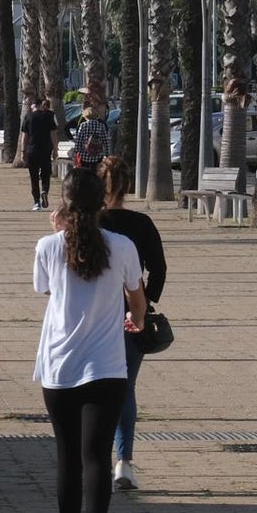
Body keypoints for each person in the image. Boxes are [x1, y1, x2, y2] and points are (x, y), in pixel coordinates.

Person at [32, 169, 146, 513]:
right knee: (97, 453)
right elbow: (137, 298)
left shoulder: (48, 246)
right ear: (103, 202)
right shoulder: (123, 246)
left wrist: (57, 231)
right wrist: (137, 319)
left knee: (67, 456)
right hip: (107, 365)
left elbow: (45, 289)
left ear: (63, 203)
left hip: (60, 366)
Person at [96, 157, 166, 491]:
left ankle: (93, 458)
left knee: (91, 388)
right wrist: (145, 302)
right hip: (129, 316)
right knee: (125, 388)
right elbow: (160, 268)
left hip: (93, 316)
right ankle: (123, 462)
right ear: (127, 185)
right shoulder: (141, 223)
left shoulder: (88, 222)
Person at [22, 98, 59, 210]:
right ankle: (44, 190)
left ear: (34, 105)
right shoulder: (49, 116)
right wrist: (55, 150)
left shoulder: (28, 117)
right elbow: (53, 135)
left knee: (34, 177)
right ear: (41, 105)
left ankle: (36, 202)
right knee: (46, 174)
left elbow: (24, 137)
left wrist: (22, 151)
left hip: (32, 150)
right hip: (45, 150)